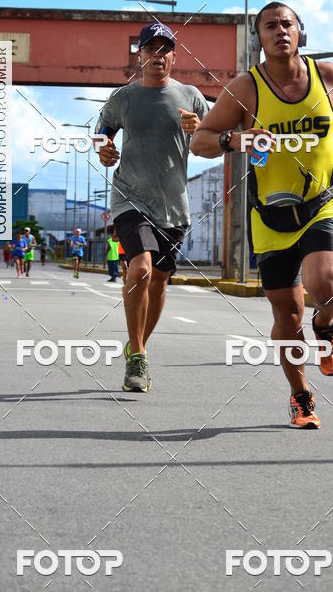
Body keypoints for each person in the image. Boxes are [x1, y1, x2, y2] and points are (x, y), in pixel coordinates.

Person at [191, 2, 333, 428]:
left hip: (319, 205)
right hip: (270, 218)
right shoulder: (245, 89)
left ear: (300, 32)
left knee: (324, 285)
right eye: (270, 26)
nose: (279, 31)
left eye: (287, 23)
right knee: (287, 319)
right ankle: (300, 395)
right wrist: (236, 139)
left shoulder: (327, 78)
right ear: (259, 39)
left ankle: (326, 324)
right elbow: (200, 140)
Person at [97, 21, 208, 393]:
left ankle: (137, 344)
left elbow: (212, 136)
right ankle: (138, 355)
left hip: (174, 205)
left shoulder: (191, 96)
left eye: (165, 49)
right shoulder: (123, 98)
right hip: (130, 197)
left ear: (174, 56)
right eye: (151, 49)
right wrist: (104, 150)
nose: (158, 56)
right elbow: (102, 131)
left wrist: (199, 129)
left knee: (160, 280)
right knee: (141, 268)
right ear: (140, 55)